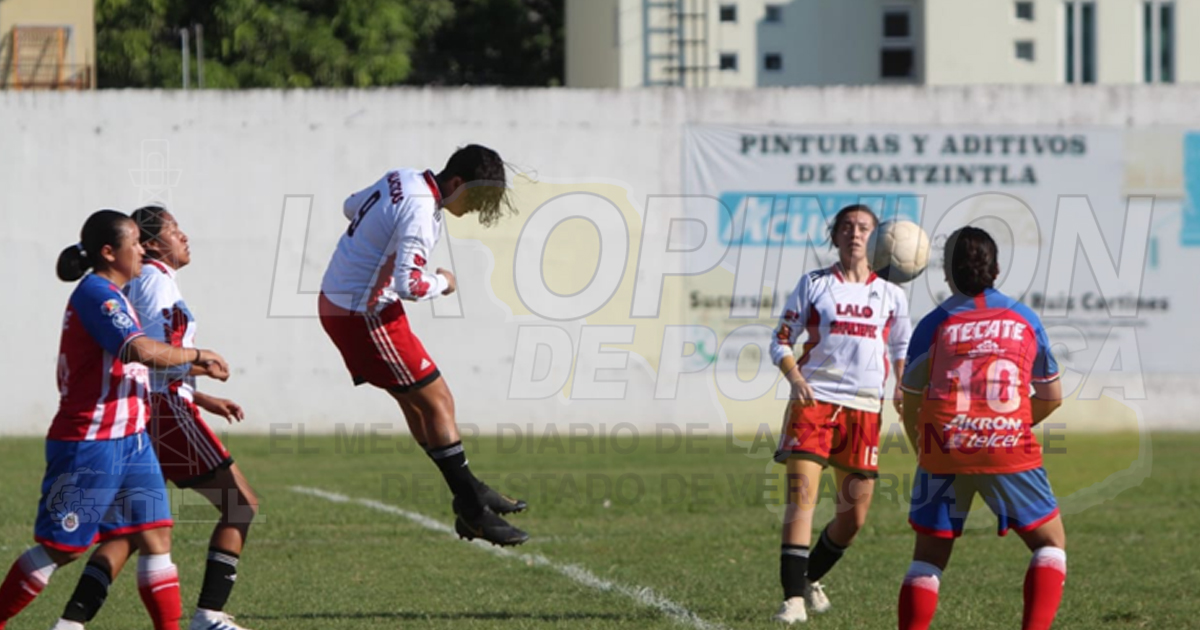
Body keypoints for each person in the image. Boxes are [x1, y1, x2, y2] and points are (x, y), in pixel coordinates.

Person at [0, 210, 229, 630]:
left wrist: (199, 387)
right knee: (63, 549)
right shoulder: (97, 295)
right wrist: (199, 355)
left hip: (131, 439)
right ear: (109, 252)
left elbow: (136, 362)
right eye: (135, 243)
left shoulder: (116, 294)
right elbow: (137, 350)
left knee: (156, 536)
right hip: (92, 441)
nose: (142, 250)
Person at [54, 207, 259, 630]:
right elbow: (146, 355)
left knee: (131, 532)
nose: (184, 236)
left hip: (155, 407)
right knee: (240, 505)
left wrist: (200, 394)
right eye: (173, 230)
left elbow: (153, 355)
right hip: (164, 410)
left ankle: (70, 623)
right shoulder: (153, 282)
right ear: (149, 244)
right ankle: (208, 616)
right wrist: (198, 366)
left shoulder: (152, 280)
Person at [318, 144, 528, 546]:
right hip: (363, 314)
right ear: (457, 182)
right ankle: (472, 509)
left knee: (421, 403)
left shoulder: (404, 177)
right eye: (476, 197)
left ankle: (470, 490)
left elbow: (350, 206)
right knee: (437, 401)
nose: (476, 208)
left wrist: (378, 240)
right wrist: (444, 282)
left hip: (347, 303)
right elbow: (410, 285)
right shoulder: (421, 210)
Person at [897, 226, 1065, 630]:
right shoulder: (1024, 319)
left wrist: (925, 447)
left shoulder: (934, 324)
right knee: (1050, 545)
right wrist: (1004, 426)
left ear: (946, 273)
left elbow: (910, 400)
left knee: (927, 560)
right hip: (1007, 444)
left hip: (944, 444)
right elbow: (1052, 395)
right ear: (997, 269)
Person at [768, 204, 913, 624]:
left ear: (878, 239)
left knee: (853, 518)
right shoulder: (814, 284)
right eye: (847, 227)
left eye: (864, 227)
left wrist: (902, 385)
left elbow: (901, 348)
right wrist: (795, 378)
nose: (855, 233)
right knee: (802, 502)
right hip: (813, 403)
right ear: (834, 237)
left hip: (865, 409)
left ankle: (808, 577)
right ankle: (792, 601)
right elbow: (780, 340)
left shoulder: (892, 295)